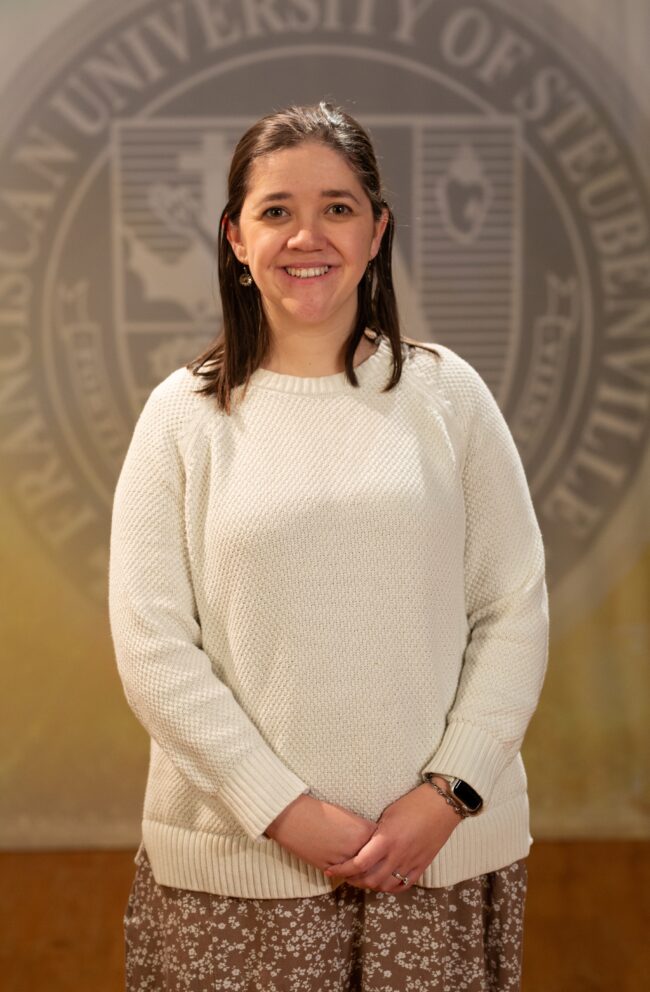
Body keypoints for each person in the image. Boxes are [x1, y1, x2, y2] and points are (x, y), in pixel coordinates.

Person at [109, 101, 549, 991]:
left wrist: (450, 793)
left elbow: (513, 608)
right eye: (276, 211)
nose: (307, 235)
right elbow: (152, 648)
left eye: (338, 207)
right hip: (237, 878)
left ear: (378, 229)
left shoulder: (448, 397)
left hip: (438, 860)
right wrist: (280, 813)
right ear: (235, 236)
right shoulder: (180, 420)